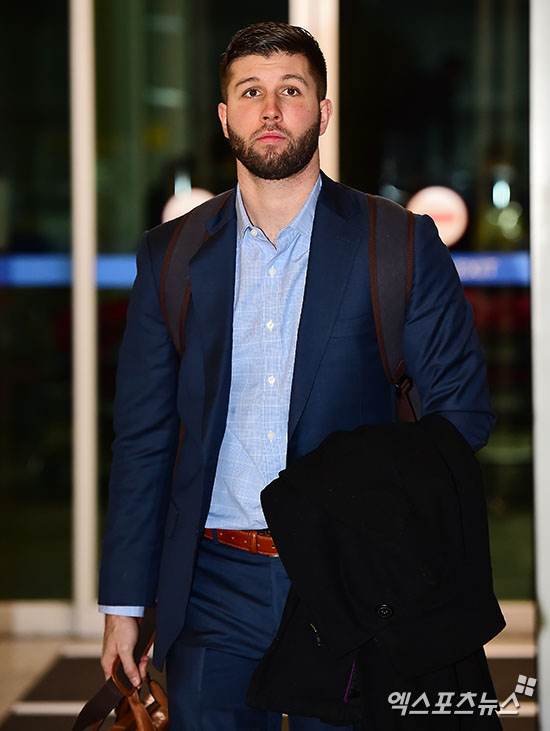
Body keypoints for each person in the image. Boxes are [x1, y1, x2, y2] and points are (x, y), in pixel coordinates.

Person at [98, 21, 497, 730]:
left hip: (352, 580)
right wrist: (125, 604)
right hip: (213, 583)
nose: (271, 109)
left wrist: (345, 497)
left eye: (291, 89)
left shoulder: (397, 242)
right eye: (251, 92)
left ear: (323, 110)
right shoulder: (171, 256)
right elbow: (144, 438)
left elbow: (462, 415)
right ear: (225, 117)